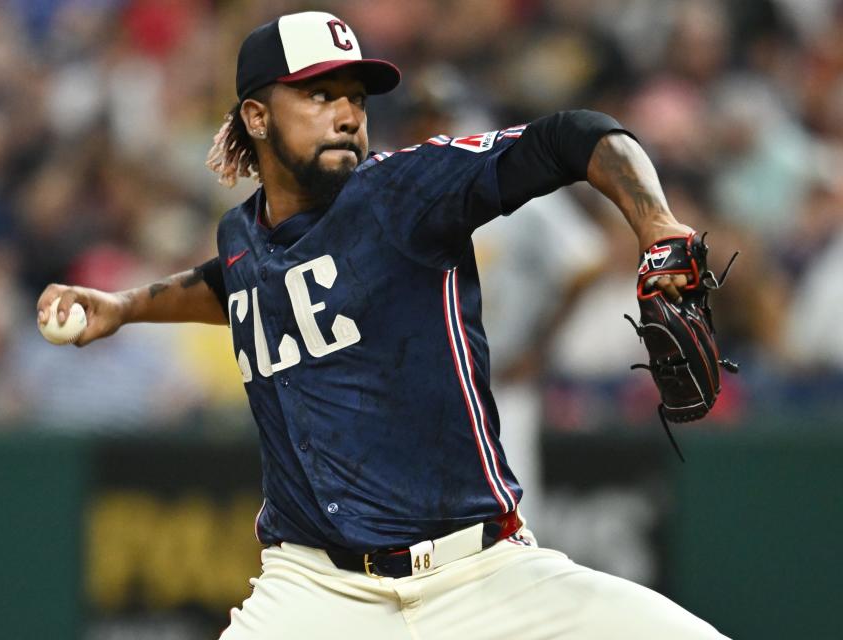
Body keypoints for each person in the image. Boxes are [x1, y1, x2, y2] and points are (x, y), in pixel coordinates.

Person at [38, 11, 725, 639]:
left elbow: (574, 136)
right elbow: (236, 284)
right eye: (318, 94)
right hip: (312, 590)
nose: (345, 114)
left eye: (356, 98)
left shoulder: (404, 192)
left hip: (479, 575)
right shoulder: (242, 237)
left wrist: (656, 222)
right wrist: (126, 307)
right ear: (255, 114)